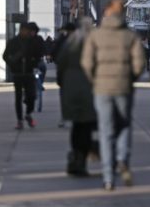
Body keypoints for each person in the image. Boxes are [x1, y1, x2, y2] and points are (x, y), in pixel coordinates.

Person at [81, 0, 146, 191]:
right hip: (124, 87)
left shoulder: (95, 35)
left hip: (102, 88)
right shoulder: (130, 36)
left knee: (106, 130)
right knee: (124, 125)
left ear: (105, 14)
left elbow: (86, 62)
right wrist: (130, 77)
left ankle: (108, 177)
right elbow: (139, 63)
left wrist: (95, 79)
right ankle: (122, 159)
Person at [57, 17, 96, 177]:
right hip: (89, 86)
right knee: (86, 126)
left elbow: (61, 63)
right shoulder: (94, 43)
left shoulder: (70, 43)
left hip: (71, 85)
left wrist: (64, 83)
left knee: (76, 125)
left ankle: (75, 155)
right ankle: (82, 159)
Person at [3, 23, 42, 129]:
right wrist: (12, 65)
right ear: (20, 30)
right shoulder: (13, 42)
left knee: (32, 96)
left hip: (29, 73)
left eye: (27, 30)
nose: (26, 32)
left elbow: (39, 54)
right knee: (18, 97)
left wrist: (34, 62)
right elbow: (5, 56)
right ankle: (19, 120)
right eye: (24, 30)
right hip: (18, 73)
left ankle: (28, 113)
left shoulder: (32, 41)